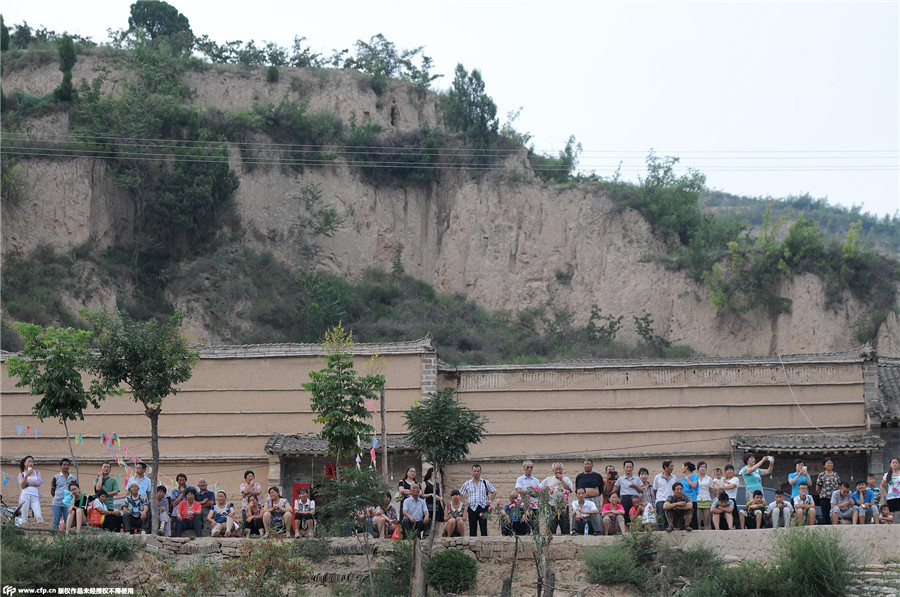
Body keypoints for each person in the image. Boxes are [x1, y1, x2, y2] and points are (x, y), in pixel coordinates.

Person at [460, 464, 496, 536]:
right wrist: (465, 503)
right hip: (472, 508)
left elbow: (494, 492)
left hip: (483, 507)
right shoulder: (467, 483)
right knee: (472, 528)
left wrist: (489, 501)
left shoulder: (485, 482)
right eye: (474, 471)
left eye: (477, 471)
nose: (476, 473)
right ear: (472, 472)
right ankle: (473, 543)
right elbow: (460, 493)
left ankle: (484, 542)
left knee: (484, 528)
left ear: (480, 472)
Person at [541, 462, 574, 535]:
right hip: (551, 506)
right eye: (556, 469)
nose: (558, 471)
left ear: (562, 470)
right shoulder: (548, 480)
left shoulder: (566, 479)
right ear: (553, 470)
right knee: (551, 529)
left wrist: (562, 480)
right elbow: (539, 489)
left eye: (560, 469)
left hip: (563, 506)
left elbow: (570, 490)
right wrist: (545, 499)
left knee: (565, 528)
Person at [575, 459, 604, 534]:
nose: (587, 466)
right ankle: (581, 531)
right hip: (583, 500)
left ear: (592, 465)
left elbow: (601, 489)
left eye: (589, 464)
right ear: (583, 465)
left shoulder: (597, 476)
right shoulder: (579, 477)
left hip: (595, 499)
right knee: (583, 514)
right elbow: (577, 489)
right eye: (586, 464)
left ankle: (598, 531)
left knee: (596, 515)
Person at [16, 455, 44, 526]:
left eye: (32, 462)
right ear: (25, 463)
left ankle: (41, 530)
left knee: (39, 515)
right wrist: (26, 476)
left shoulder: (37, 473)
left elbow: (39, 483)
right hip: (25, 496)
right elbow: (22, 486)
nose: (31, 463)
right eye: (29, 461)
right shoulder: (21, 474)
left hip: (35, 496)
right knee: (24, 516)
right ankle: (24, 531)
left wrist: (28, 484)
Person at [51, 458, 77, 531]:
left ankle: (67, 535)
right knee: (55, 522)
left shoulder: (73, 478)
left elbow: (75, 489)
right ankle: (54, 535)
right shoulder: (56, 477)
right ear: (61, 466)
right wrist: (57, 496)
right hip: (57, 503)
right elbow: (52, 490)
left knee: (68, 522)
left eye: (67, 465)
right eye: (64, 465)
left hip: (68, 504)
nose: (66, 466)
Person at [94, 462, 121, 531]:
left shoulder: (113, 480)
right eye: (104, 467)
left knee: (112, 523)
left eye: (108, 467)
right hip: (99, 506)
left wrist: (105, 495)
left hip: (109, 506)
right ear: (101, 469)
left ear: (110, 470)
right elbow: (98, 489)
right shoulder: (96, 479)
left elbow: (116, 491)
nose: (106, 469)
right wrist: (100, 477)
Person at [516, 460, 541, 533]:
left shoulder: (536, 480)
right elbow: (519, 491)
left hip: (534, 507)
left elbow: (538, 493)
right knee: (525, 529)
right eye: (527, 467)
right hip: (523, 506)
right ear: (524, 468)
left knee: (535, 528)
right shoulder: (520, 479)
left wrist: (526, 493)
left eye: (531, 467)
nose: (529, 469)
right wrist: (531, 493)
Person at [614, 461, 642, 525]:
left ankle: (635, 529)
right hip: (625, 498)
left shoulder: (637, 478)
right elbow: (614, 490)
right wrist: (618, 499)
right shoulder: (620, 479)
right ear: (624, 468)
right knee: (625, 517)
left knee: (636, 515)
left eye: (630, 467)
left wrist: (635, 486)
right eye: (627, 467)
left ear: (633, 468)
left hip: (635, 499)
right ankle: (626, 530)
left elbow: (642, 490)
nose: (629, 469)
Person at [816, 457, 841, 525]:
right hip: (825, 498)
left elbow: (839, 486)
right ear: (824, 465)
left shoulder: (836, 474)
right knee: (826, 517)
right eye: (828, 463)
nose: (830, 464)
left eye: (831, 463)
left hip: (835, 499)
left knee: (835, 513)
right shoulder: (821, 475)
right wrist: (822, 495)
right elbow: (818, 488)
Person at [653, 460, 677, 530]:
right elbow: (655, 490)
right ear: (665, 467)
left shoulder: (674, 478)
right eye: (671, 466)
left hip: (671, 501)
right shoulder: (657, 477)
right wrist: (658, 499)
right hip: (661, 500)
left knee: (671, 517)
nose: (672, 468)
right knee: (661, 518)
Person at [422, 468, 443, 537]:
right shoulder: (425, 483)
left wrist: (439, 498)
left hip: (437, 505)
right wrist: (431, 494)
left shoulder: (437, 484)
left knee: (437, 528)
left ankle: (436, 539)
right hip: (428, 505)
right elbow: (422, 495)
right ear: (432, 473)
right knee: (428, 527)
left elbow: (441, 496)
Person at [680, 462, 700, 530]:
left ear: (686, 467)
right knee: (684, 516)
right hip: (683, 499)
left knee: (693, 516)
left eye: (682, 466)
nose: (681, 468)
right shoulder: (682, 478)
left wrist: (688, 479)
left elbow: (694, 485)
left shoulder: (695, 476)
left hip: (692, 499)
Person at [695, 462, 712, 530]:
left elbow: (711, 489)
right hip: (697, 499)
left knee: (707, 521)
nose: (702, 468)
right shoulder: (694, 478)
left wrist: (709, 496)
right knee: (697, 521)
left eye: (704, 467)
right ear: (698, 468)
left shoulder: (709, 478)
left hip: (706, 499)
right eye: (701, 467)